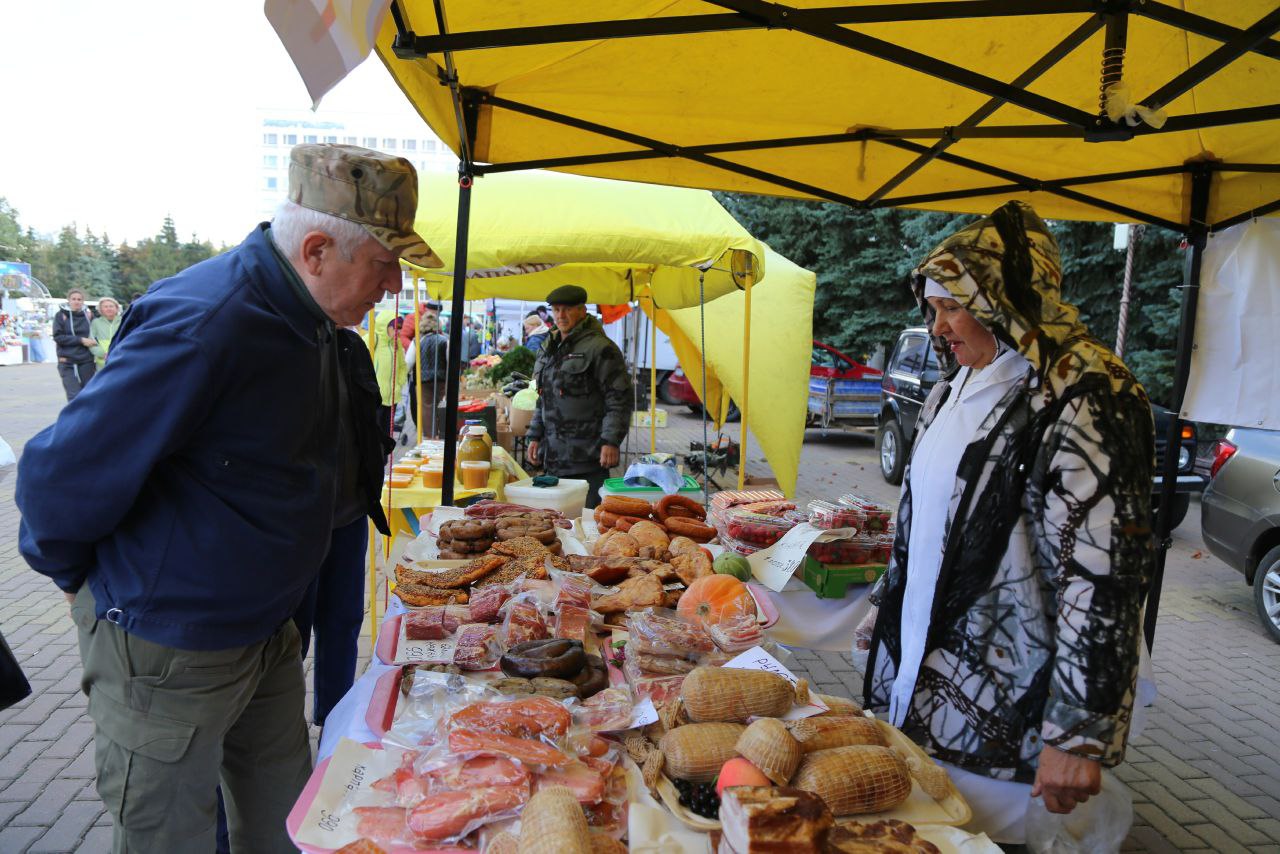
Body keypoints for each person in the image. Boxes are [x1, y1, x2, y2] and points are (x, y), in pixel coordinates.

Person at [16, 142, 439, 852]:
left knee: (286, 825)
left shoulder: (315, 324)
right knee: (170, 835)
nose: (394, 285)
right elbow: (57, 478)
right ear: (315, 251)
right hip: (168, 645)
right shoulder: (207, 324)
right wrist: (79, 583)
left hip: (265, 634)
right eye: (384, 262)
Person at [860, 202, 1155, 843]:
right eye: (931, 308)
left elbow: (1104, 577)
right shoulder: (954, 386)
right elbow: (928, 524)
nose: (937, 327)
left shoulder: (1087, 393)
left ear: (1005, 301)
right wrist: (887, 607)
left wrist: (1080, 733)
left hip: (1011, 709)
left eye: (951, 307)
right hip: (925, 677)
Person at [525, 285, 631, 508]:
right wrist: (534, 435)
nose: (561, 316)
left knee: (587, 521)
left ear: (582, 311)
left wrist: (610, 441)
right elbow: (543, 396)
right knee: (558, 521)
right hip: (553, 455)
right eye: (556, 310)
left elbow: (618, 398)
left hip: (587, 457)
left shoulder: (600, 348)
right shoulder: (550, 346)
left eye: (567, 310)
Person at [408, 310, 450, 438]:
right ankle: (442, 433)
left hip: (423, 380)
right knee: (441, 406)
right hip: (442, 379)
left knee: (426, 407)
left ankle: (430, 436)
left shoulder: (417, 341)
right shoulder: (444, 340)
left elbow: (408, 362)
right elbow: (450, 360)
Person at [51, 288, 96, 400]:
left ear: (83, 301)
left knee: (88, 394)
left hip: (86, 360)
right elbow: (58, 337)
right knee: (74, 395)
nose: (76, 301)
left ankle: (87, 417)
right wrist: (80, 340)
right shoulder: (61, 315)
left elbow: (97, 335)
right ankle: (75, 417)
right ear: (69, 300)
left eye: (79, 299)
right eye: (74, 299)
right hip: (66, 360)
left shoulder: (89, 315)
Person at [370, 309, 407, 437]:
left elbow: (403, 365)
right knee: (374, 434)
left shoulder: (396, 343)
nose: (398, 331)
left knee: (386, 435)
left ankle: (384, 457)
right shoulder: (372, 339)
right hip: (376, 397)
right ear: (385, 326)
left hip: (392, 397)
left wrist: (399, 384)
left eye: (400, 328)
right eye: (395, 327)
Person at [88, 296, 122, 369]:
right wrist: (102, 354)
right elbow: (90, 341)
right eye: (105, 307)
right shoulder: (96, 323)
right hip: (102, 363)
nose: (109, 308)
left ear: (116, 308)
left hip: (121, 361)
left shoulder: (123, 321)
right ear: (101, 310)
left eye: (111, 306)